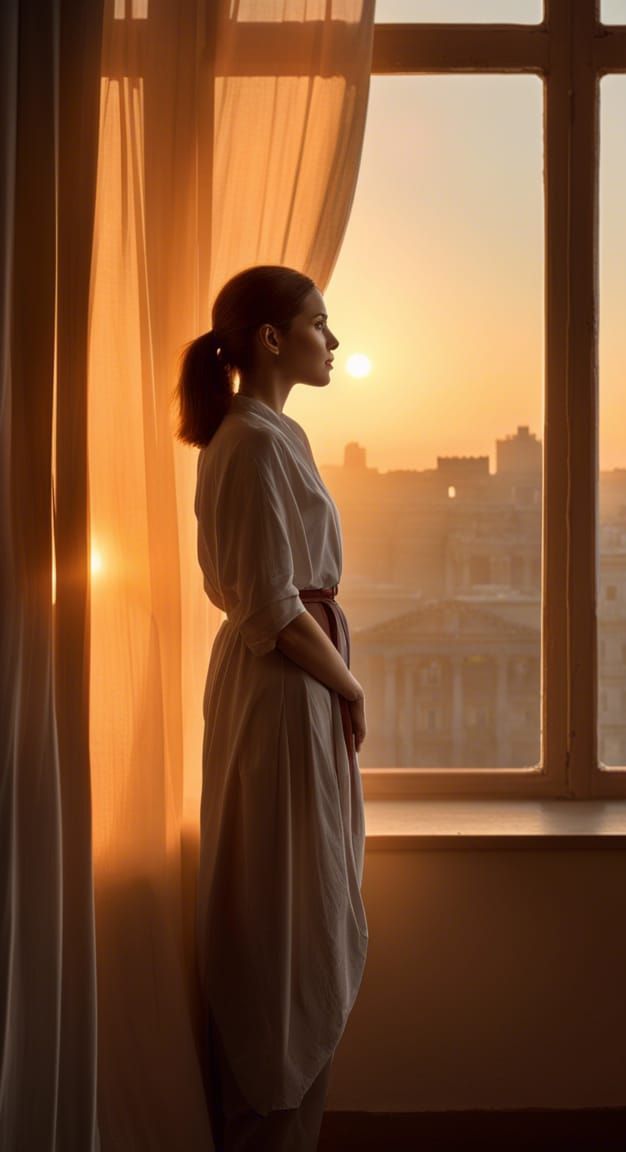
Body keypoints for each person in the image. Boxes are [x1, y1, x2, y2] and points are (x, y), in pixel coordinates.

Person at [175, 265, 370, 1151]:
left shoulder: (267, 434)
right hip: (283, 690)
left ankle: (285, 1113)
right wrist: (348, 681)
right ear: (271, 339)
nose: (332, 342)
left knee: (300, 888)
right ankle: (269, 1112)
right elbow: (269, 604)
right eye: (319, 324)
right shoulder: (251, 443)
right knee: (285, 896)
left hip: (291, 687)